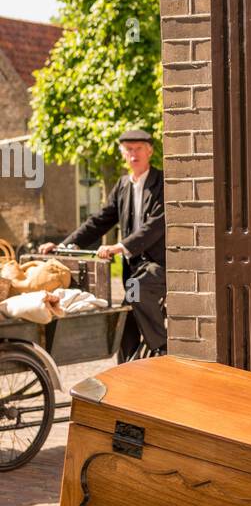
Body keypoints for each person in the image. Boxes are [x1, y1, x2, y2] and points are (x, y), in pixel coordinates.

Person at [40, 128, 166, 362]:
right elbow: (99, 221)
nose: (134, 154)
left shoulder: (162, 183)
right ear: (123, 154)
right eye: (129, 149)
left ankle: (163, 348)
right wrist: (65, 245)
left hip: (158, 265)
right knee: (125, 318)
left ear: (149, 151)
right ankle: (126, 372)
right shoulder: (123, 185)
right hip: (134, 270)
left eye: (139, 148)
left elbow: (155, 226)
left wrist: (120, 247)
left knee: (136, 293)